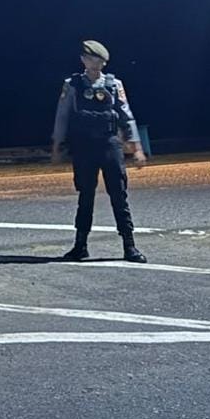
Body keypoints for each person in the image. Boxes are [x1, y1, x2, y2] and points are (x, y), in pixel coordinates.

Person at [51, 40, 148, 263]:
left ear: (104, 62)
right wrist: (57, 145)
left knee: (119, 194)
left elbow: (126, 115)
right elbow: (62, 115)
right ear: (83, 60)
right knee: (85, 195)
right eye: (89, 58)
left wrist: (136, 147)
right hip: (84, 146)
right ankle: (80, 245)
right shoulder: (72, 85)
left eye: (97, 59)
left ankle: (129, 245)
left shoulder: (114, 84)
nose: (93, 63)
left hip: (109, 144)